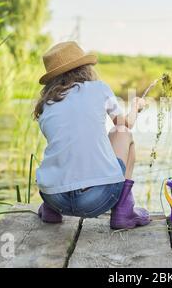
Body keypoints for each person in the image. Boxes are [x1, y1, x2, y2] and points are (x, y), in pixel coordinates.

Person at [34, 41, 150, 229]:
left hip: (54, 198)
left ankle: (50, 210)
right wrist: (136, 106)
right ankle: (124, 211)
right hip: (95, 200)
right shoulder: (99, 89)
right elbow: (125, 124)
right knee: (121, 132)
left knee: (61, 148)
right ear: (84, 68)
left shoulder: (46, 105)